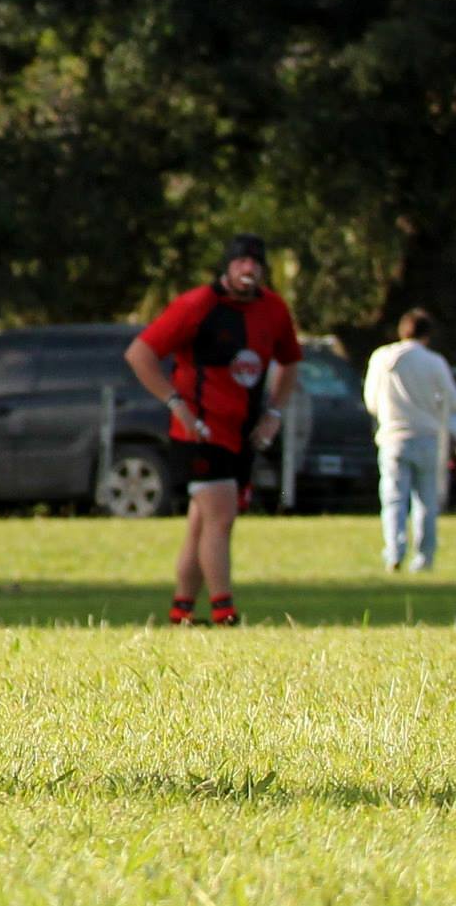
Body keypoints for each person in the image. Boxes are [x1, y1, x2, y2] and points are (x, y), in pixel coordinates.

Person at [125, 234, 300, 627]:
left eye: (255, 263)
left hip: (243, 434)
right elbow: (140, 354)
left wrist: (274, 411)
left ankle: (182, 609)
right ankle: (224, 611)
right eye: (241, 262)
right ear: (227, 266)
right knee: (221, 518)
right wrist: (177, 405)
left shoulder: (273, 309)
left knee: (202, 524)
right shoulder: (197, 305)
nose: (248, 270)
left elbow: (290, 362)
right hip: (199, 433)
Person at [363, 308, 456, 573]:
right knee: (426, 501)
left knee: (394, 499)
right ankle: (424, 558)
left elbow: (372, 403)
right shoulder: (434, 362)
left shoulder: (381, 358)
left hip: (393, 437)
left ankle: (394, 552)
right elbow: (454, 401)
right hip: (427, 438)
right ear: (427, 335)